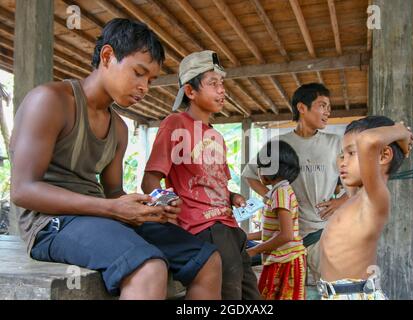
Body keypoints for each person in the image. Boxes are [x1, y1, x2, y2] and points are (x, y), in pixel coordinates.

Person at [9, 18, 222, 300]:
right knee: (148, 268)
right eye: (138, 73)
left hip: (97, 215)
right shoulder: (50, 101)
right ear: (108, 56)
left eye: (150, 80)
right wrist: (111, 208)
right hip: (50, 224)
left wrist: (149, 208)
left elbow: (113, 193)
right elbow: (22, 191)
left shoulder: (119, 128)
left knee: (207, 261)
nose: (144, 87)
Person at [141, 50, 260, 300]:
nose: (222, 90)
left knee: (251, 297)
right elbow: (149, 181)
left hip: (231, 229)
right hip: (203, 229)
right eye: (213, 84)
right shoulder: (175, 123)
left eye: (223, 84)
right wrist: (168, 211)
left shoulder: (216, 136)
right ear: (190, 91)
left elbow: (213, 185)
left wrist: (233, 196)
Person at [243, 83, 346, 285]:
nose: (328, 112)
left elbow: (362, 179)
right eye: (322, 105)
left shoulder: (336, 143)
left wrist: (340, 201)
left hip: (322, 234)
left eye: (329, 108)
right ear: (302, 107)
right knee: (288, 291)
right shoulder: (280, 144)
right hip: (286, 239)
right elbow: (251, 174)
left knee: (327, 290)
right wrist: (269, 196)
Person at [318, 115, 413, 300]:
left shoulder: (375, 198)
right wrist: (348, 153)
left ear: (384, 155)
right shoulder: (355, 196)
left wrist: (401, 131)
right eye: (343, 155)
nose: (343, 162)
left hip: (356, 295)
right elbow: (363, 145)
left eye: (352, 153)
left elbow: (367, 140)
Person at [246, 140, 307, 300]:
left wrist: (254, 250)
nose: (258, 171)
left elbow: (286, 235)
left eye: (260, 167)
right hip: (283, 258)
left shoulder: (280, 193)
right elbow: (274, 232)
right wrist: (247, 237)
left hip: (286, 260)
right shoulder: (279, 191)